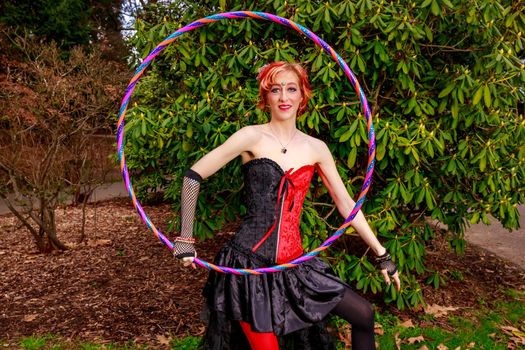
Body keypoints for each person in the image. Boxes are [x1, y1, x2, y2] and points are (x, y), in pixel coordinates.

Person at [172, 61, 401, 350]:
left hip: (295, 265)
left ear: (303, 95)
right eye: (275, 90)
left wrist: (382, 254)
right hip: (248, 268)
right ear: (265, 96)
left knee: (364, 314)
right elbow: (193, 176)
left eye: (291, 89)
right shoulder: (250, 136)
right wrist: (185, 238)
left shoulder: (316, 148)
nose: (284, 97)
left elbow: (346, 204)